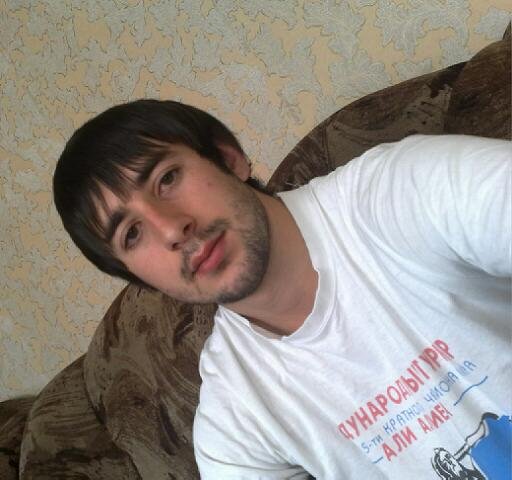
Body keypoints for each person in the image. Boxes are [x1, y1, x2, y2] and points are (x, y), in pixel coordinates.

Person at [53, 99, 511, 479]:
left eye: (167, 179)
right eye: (132, 234)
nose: (172, 229)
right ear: (141, 279)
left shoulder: (406, 191)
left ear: (228, 157)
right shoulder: (234, 420)